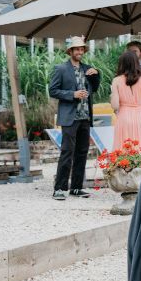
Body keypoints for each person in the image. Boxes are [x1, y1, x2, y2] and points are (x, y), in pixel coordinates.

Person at [49, 36, 101, 201]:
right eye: (76, 49)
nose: (79, 52)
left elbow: (94, 89)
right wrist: (73, 94)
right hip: (69, 118)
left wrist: (96, 76)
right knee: (67, 152)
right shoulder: (61, 69)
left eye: (81, 49)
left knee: (82, 153)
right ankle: (59, 188)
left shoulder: (88, 68)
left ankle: (77, 187)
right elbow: (53, 90)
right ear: (70, 51)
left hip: (85, 117)